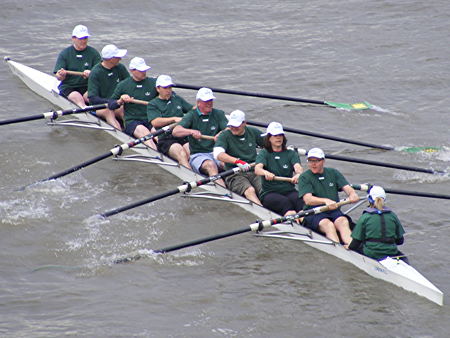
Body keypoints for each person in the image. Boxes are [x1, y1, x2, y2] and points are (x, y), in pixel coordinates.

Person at [297, 147, 360, 245]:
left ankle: (353, 249)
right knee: (329, 225)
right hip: (313, 213)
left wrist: (352, 194)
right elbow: (308, 200)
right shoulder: (304, 177)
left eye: (316, 161)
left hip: (333, 210)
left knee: (343, 221)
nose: (313, 164)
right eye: (310, 161)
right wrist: (325, 201)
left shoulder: (333, 173)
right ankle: (338, 250)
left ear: (323, 161)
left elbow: (347, 188)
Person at [172, 88, 228, 185]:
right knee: (211, 165)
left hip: (217, 152)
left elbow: (229, 129)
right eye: (206, 101)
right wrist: (191, 131)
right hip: (198, 155)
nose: (209, 103)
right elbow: (175, 131)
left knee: (227, 164)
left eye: (210, 100)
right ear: (198, 103)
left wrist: (221, 133)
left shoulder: (219, 113)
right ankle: (225, 194)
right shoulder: (191, 115)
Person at [214, 110, 264, 204]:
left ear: (244, 123)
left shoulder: (253, 132)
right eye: (231, 125)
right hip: (234, 173)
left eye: (236, 125)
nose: (233, 128)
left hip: (254, 170)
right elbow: (217, 154)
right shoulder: (224, 135)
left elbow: (270, 144)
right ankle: (264, 212)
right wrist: (237, 162)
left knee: (265, 189)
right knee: (250, 190)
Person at [254, 122, 304, 216]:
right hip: (270, 193)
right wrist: (265, 172)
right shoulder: (264, 153)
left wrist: (298, 174)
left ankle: (306, 224)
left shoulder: (291, 153)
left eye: (280, 135)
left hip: (289, 190)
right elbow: (257, 169)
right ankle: (293, 223)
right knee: (286, 204)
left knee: (300, 201)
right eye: (275, 135)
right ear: (269, 138)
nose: (278, 138)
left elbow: (298, 168)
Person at [347, 186, 408, 262]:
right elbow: (400, 241)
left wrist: (348, 248)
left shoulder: (365, 216)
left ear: (369, 199)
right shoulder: (392, 216)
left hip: (371, 253)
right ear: (384, 199)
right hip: (391, 252)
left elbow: (355, 243)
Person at [111, 57, 158, 149]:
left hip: (151, 119)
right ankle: (156, 156)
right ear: (132, 71)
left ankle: (166, 153)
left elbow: (170, 97)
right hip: (133, 121)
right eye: (141, 70)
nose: (144, 72)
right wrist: (120, 100)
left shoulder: (154, 83)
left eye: (144, 70)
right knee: (145, 134)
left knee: (159, 135)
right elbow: (111, 105)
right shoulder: (123, 85)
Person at [147, 75, 193, 168]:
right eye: (165, 88)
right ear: (158, 89)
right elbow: (155, 122)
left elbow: (192, 110)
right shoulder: (153, 104)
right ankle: (193, 179)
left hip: (182, 134)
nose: (168, 90)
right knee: (181, 153)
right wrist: (173, 119)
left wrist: (202, 106)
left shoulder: (177, 99)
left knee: (191, 152)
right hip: (166, 138)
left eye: (170, 87)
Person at [54, 24, 101, 107]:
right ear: (73, 38)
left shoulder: (94, 53)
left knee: (91, 98)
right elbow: (58, 77)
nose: (83, 41)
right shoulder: (65, 54)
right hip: (69, 86)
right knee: (78, 98)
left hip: (88, 86)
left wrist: (92, 73)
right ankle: (84, 110)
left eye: (85, 38)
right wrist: (61, 75)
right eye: (80, 38)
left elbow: (100, 73)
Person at [88, 44, 129, 130]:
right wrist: (111, 101)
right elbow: (93, 99)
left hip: (118, 104)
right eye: (118, 57)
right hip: (102, 106)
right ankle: (120, 133)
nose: (120, 59)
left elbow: (129, 84)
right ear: (111, 59)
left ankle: (130, 131)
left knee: (124, 111)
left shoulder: (120, 68)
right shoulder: (96, 72)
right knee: (109, 112)